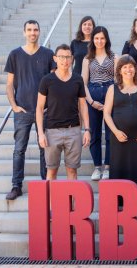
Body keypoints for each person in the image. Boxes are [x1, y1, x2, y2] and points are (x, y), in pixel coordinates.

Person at [4, 20, 56, 200]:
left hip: (45, 111)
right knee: (19, 149)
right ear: (24, 32)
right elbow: (10, 84)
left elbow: (54, 82)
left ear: (40, 32)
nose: (32, 33)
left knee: (45, 148)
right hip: (23, 111)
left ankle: (45, 184)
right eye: (29, 30)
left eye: (35, 30)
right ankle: (16, 185)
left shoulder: (48, 54)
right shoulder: (15, 54)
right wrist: (14, 106)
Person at [104, 55, 137, 207]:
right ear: (119, 70)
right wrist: (116, 132)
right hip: (119, 137)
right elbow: (106, 113)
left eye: (131, 66)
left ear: (135, 69)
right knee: (119, 167)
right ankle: (118, 201)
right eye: (124, 67)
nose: (128, 69)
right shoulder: (112, 88)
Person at [36, 44, 91, 180]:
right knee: (51, 171)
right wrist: (41, 133)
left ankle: (71, 202)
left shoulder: (78, 79)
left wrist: (87, 130)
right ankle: (50, 202)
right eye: (61, 57)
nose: (64, 60)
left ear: (72, 59)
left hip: (73, 130)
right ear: (55, 58)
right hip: (51, 132)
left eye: (67, 57)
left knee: (72, 171)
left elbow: (83, 106)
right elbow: (39, 108)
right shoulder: (47, 80)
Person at [82, 26, 118, 181]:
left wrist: (110, 100)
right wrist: (91, 101)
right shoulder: (87, 59)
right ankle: (97, 167)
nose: (99, 41)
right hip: (93, 96)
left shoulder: (114, 57)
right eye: (96, 38)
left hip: (110, 95)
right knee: (95, 134)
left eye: (102, 38)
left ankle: (108, 166)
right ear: (92, 39)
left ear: (106, 39)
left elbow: (118, 80)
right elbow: (83, 83)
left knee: (110, 134)